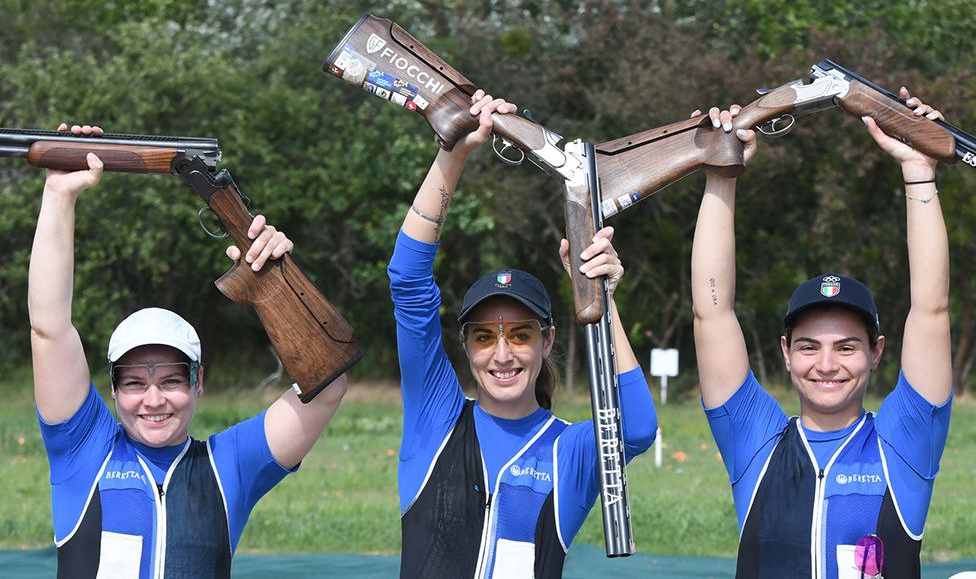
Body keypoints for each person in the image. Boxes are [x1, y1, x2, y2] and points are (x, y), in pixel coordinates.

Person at [29, 123, 350, 578]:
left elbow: (328, 381)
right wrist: (59, 198)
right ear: (114, 390)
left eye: (171, 380)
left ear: (198, 383)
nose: (154, 400)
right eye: (136, 382)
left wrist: (276, 277)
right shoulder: (85, 451)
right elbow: (49, 328)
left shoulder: (229, 466)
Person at [388, 92, 658, 578]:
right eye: (485, 336)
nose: (502, 353)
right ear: (467, 346)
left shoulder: (568, 450)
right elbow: (408, 281)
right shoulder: (437, 420)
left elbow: (637, 428)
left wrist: (605, 299)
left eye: (519, 334)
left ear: (547, 341)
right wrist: (455, 151)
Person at [690, 91, 952, 578]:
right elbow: (713, 313)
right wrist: (721, 175)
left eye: (847, 347)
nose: (827, 364)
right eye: (809, 346)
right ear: (786, 354)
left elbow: (931, 309)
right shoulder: (755, 441)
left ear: (876, 353)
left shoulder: (904, 440)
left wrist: (919, 170)